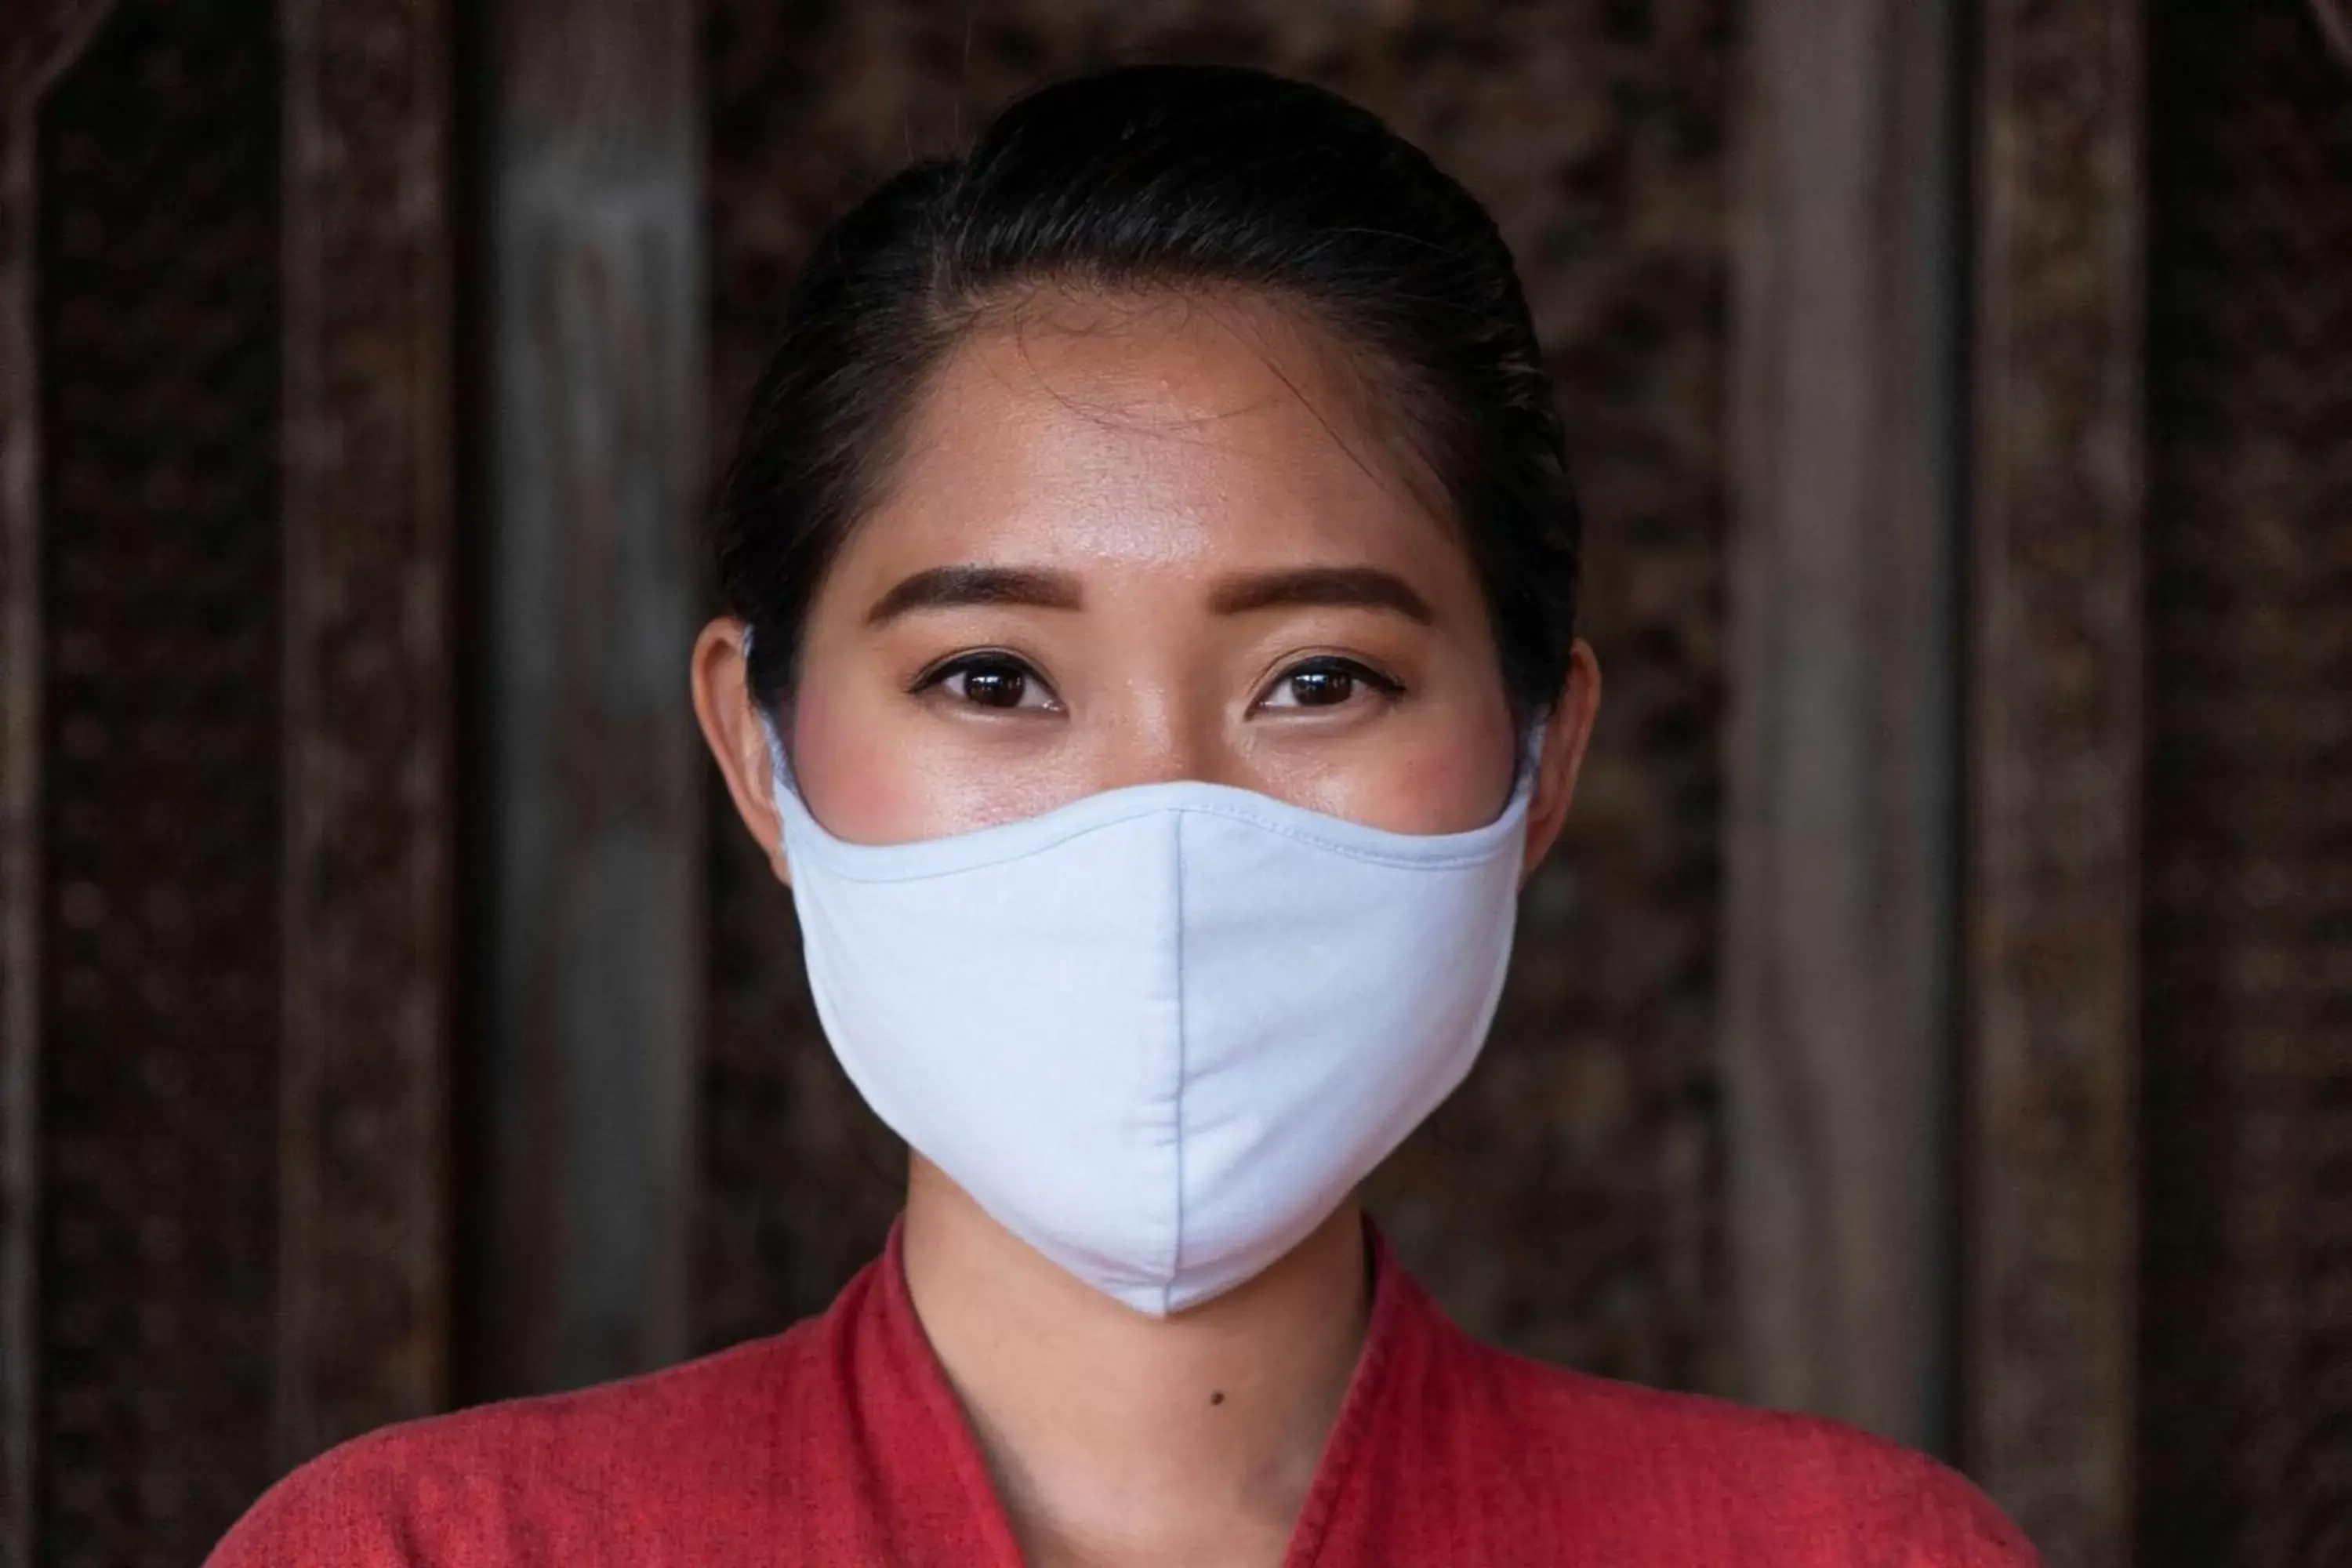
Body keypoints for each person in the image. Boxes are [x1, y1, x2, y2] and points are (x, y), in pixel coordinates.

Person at [206, 62, 2036, 1568]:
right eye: (993, 677)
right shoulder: (425, 1550)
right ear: (758, 751)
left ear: (1540, 760)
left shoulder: (1851, 1547)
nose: (1162, 825)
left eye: (1320, 678)